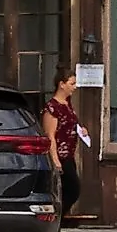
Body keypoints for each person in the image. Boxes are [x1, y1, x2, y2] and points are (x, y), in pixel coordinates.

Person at [44, 69, 88, 220]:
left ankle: (58, 225)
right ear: (62, 84)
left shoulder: (68, 105)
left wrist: (81, 130)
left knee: (68, 191)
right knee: (72, 189)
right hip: (60, 156)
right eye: (72, 83)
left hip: (69, 154)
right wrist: (55, 159)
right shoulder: (52, 107)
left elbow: (70, 124)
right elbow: (50, 135)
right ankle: (55, 223)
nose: (75, 87)